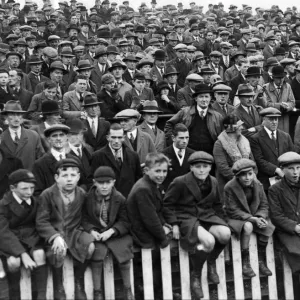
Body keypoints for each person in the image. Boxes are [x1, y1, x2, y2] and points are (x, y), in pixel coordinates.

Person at [163, 151, 231, 298]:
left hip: (206, 216)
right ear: (191, 168)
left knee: (225, 234)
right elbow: (167, 205)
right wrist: (174, 223)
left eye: (205, 166)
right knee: (209, 241)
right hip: (187, 217)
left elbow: (218, 204)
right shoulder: (180, 182)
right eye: (198, 166)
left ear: (210, 168)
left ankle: (211, 262)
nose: (201, 170)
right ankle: (196, 275)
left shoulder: (213, 181)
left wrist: (223, 222)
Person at [36, 158, 95, 300]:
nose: (69, 180)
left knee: (91, 246)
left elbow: (86, 218)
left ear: (79, 177)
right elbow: (41, 221)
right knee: (58, 250)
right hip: (56, 233)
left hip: (74, 232)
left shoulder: (81, 194)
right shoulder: (47, 194)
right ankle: (58, 285)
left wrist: (90, 230)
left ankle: (78, 281)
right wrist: (54, 236)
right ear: (57, 178)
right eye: (65, 175)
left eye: (73, 175)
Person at [82, 166, 134, 300]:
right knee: (97, 255)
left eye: (108, 182)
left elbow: (125, 221)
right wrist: (91, 230)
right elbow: (84, 218)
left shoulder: (120, 198)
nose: (104, 186)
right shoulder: (87, 198)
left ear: (113, 182)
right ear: (94, 182)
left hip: (115, 235)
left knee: (124, 255)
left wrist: (112, 231)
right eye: (100, 183)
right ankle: (97, 291)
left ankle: (127, 289)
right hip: (97, 235)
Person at [126, 153, 173, 299]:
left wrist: (165, 224)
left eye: (164, 171)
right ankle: (150, 294)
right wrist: (163, 237)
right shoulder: (143, 188)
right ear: (146, 171)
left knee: (156, 266)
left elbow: (157, 209)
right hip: (141, 234)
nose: (161, 175)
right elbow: (149, 218)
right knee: (149, 269)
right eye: (157, 171)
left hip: (148, 231)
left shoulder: (153, 185)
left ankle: (159, 293)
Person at [0, 170, 48, 300]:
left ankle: (41, 295)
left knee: (40, 254)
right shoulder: (3, 205)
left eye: (32, 188)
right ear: (12, 188)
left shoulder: (36, 202)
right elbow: (3, 233)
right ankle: (14, 295)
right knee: (13, 262)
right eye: (24, 188)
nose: (29, 192)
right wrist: (22, 254)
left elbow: (42, 222)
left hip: (31, 239)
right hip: (11, 242)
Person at [224, 159, 274, 277]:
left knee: (268, 225)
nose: (247, 177)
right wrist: (252, 219)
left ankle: (261, 260)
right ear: (237, 176)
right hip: (234, 217)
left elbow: (264, 204)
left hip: (253, 215)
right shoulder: (229, 187)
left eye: (250, 174)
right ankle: (245, 262)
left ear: (254, 173)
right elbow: (233, 210)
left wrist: (260, 217)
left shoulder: (258, 184)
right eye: (243, 175)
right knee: (247, 226)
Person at [165, 84, 223, 153]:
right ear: (196, 98)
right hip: (188, 155)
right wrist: (174, 143)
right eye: (201, 97)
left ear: (210, 98)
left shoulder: (217, 116)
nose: (204, 100)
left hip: (210, 155)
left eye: (206, 97)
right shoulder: (185, 112)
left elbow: (223, 137)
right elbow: (169, 125)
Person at [268, 152, 300, 277]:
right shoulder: (275, 189)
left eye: (298, 168)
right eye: (291, 169)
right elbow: (276, 216)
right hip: (288, 231)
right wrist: (295, 227)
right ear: (282, 170)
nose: (295, 172)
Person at [91, 123, 142, 197]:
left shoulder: (133, 156)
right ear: (108, 138)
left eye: (119, 137)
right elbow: (92, 181)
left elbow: (138, 181)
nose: (116, 141)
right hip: (107, 200)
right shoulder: (98, 156)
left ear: (124, 138)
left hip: (128, 200)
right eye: (113, 137)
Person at [251, 108, 295, 192]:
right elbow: (259, 160)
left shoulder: (286, 136)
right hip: (266, 182)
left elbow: (292, 156)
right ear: (264, 120)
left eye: (276, 119)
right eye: (271, 119)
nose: (274, 122)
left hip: (287, 180)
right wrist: (277, 170)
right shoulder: (256, 139)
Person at [213, 115, 254, 203]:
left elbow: (252, 163)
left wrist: (251, 176)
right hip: (229, 184)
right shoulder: (219, 144)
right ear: (231, 128)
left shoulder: (245, 141)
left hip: (248, 181)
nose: (242, 128)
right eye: (239, 126)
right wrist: (241, 178)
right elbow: (223, 167)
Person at [0, 100, 44, 171]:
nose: (16, 118)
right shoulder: (1, 139)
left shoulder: (33, 136)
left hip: (30, 179)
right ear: (6, 117)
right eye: (12, 114)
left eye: (18, 114)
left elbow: (41, 161)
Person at [264, 65, 295, 134]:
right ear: (273, 77)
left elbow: (292, 102)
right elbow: (265, 104)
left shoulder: (287, 86)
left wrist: (287, 107)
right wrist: (279, 106)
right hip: (271, 119)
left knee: (284, 139)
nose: (281, 80)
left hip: (284, 119)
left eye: (282, 77)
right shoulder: (266, 87)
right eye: (278, 78)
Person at [162, 123, 194, 190]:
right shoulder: (163, 155)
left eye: (187, 138)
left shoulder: (194, 155)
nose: (185, 141)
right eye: (181, 138)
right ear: (173, 138)